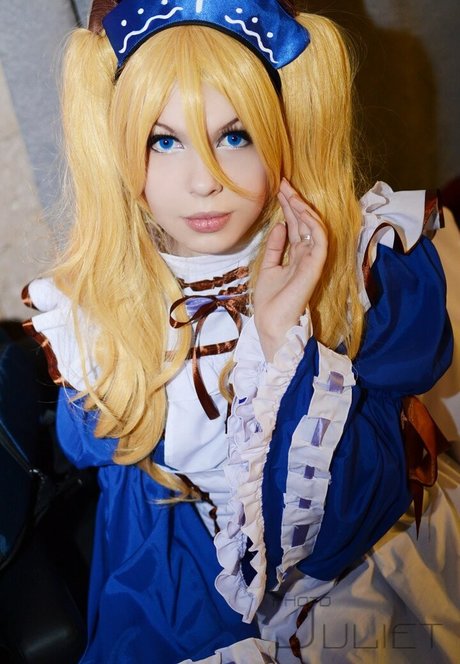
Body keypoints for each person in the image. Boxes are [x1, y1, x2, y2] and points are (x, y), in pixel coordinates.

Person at [23, 1, 458, 662]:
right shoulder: (97, 305)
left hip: (352, 580)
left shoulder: (363, 272)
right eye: (162, 140)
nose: (204, 182)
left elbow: (332, 537)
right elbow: (92, 448)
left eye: (235, 135)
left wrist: (282, 342)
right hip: (179, 579)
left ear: (284, 126)